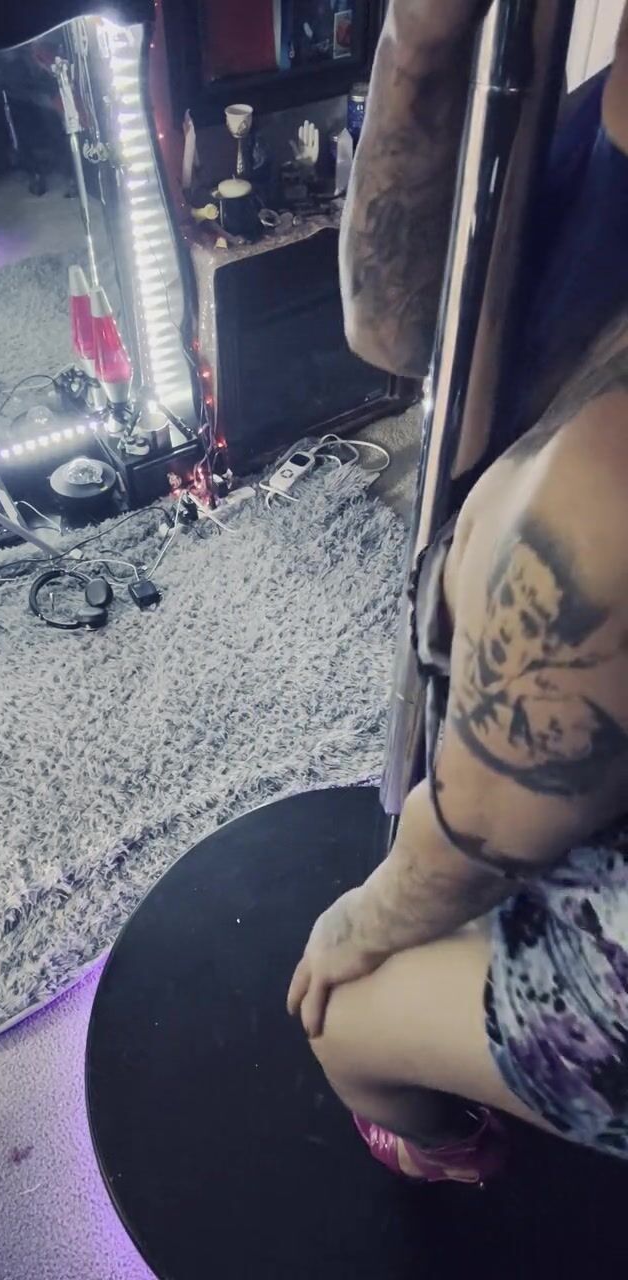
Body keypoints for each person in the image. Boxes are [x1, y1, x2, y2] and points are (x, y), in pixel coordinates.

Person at [287, 0, 628, 1183]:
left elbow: (478, 836)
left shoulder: (604, 494)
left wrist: (363, 917)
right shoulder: (599, 107)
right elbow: (396, 329)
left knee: (337, 1011)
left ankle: (445, 1145)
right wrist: (426, 41)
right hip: (550, 782)